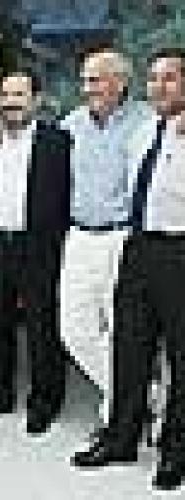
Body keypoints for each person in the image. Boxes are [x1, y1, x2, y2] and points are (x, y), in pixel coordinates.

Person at [72, 48, 185, 492]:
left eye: (170, 78)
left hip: (179, 251)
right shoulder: (143, 131)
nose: (159, 86)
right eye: (153, 78)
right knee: (129, 348)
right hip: (138, 248)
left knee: (180, 357)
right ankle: (121, 438)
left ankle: (175, 451)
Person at [0, 70, 71, 434]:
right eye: (6, 95)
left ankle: (45, 401)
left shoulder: (57, 142)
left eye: (19, 95)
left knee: (42, 325)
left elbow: (65, 196)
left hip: (38, 243)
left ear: (36, 100)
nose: (11, 102)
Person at [58, 46, 153, 422]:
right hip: (79, 238)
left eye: (95, 80)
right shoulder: (72, 124)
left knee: (121, 331)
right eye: (84, 80)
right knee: (74, 330)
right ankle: (141, 394)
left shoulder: (146, 122)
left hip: (122, 238)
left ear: (121, 82)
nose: (87, 88)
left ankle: (119, 414)